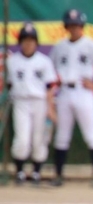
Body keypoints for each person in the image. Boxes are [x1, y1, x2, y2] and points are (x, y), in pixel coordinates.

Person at [49, 9, 93, 187]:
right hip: (65, 92)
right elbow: (49, 68)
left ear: (82, 26)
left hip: (84, 92)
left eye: (77, 25)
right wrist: (56, 82)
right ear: (66, 27)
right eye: (71, 25)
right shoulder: (60, 46)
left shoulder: (90, 44)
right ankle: (58, 175)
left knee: (92, 135)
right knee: (62, 136)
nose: (74, 28)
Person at [6, 22, 57, 186]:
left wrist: (50, 108)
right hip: (20, 101)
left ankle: (36, 172)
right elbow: (8, 85)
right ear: (20, 42)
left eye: (31, 40)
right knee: (22, 139)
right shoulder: (12, 61)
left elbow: (49, 87)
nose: (28, 43)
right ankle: (20, 172)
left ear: (36, 42)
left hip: (40, 102)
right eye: (25, 40)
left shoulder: (44, 61)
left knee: (39, 139)